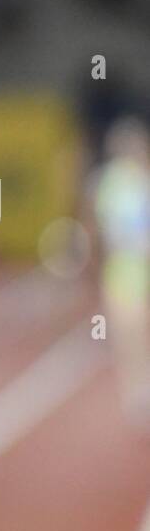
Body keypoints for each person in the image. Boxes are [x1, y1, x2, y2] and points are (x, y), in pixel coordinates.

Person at [90, 114, 150, 427]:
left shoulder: (128, 180)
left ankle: (138, 388)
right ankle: (137, 389)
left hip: (128, 268)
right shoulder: (117, 182)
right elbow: (102, 231)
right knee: (131, 331)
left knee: (132, 332)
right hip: (126, 268)